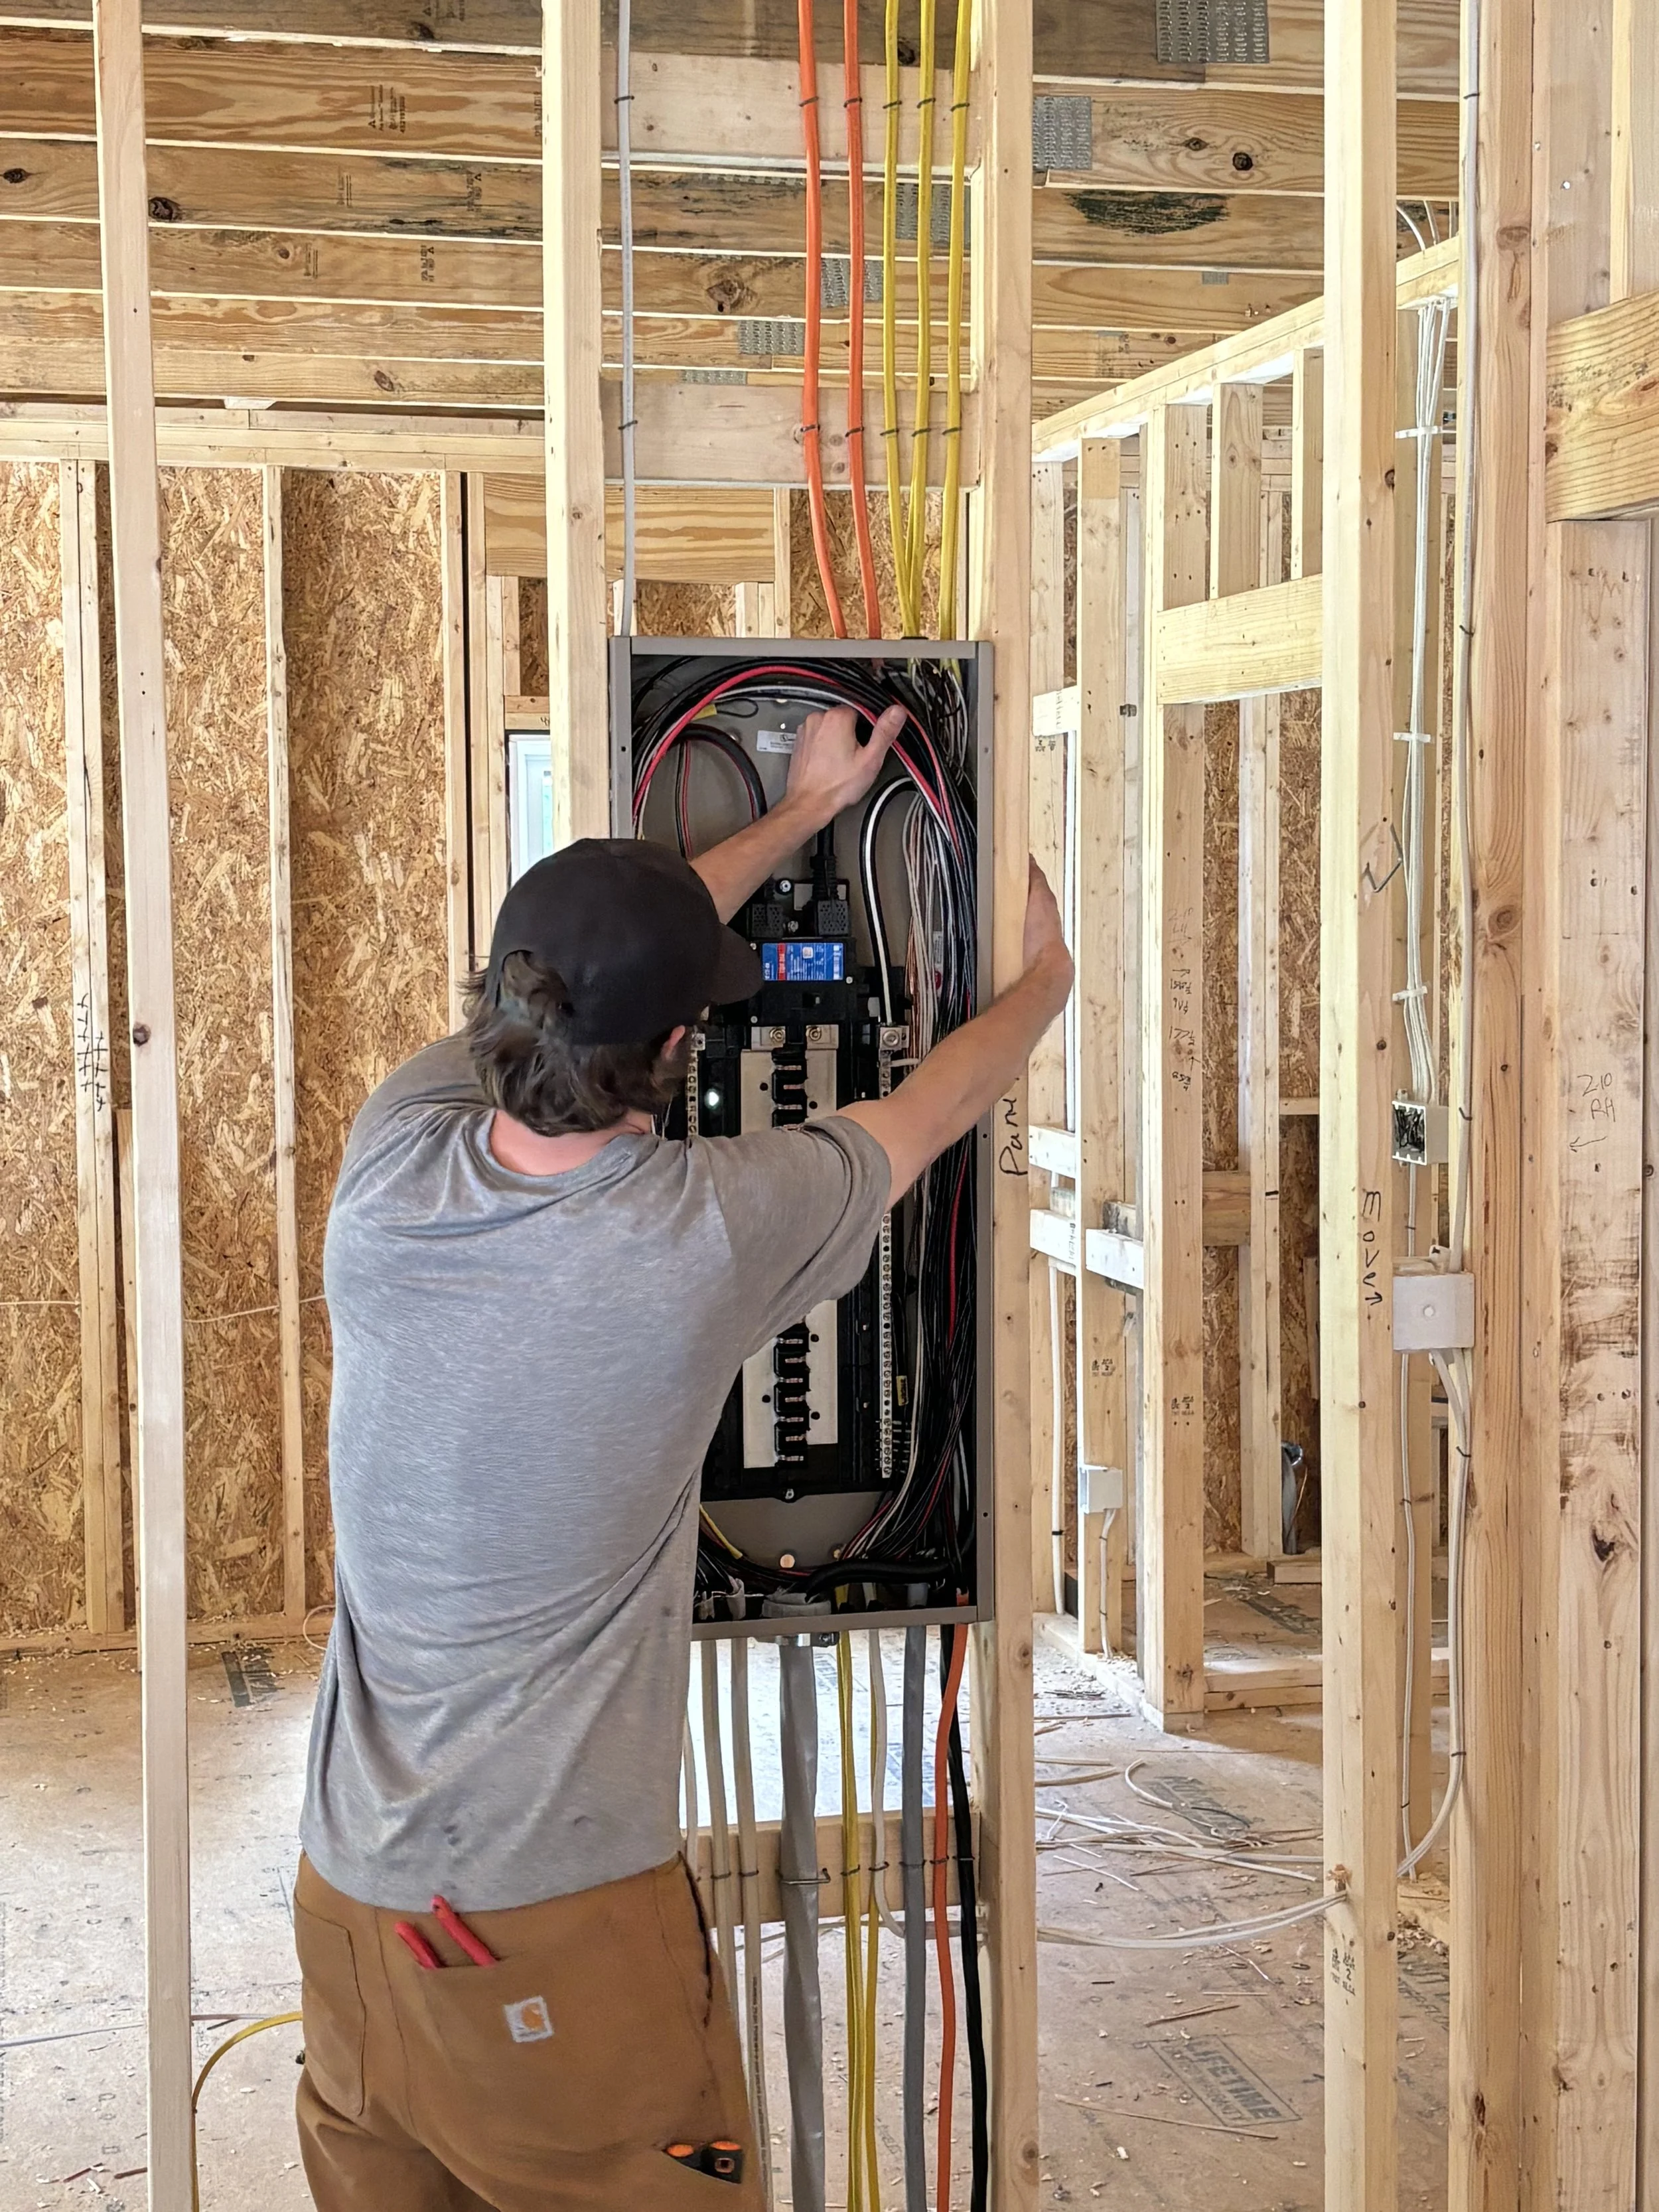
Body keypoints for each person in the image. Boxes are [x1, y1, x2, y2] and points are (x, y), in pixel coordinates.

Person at [293, 701, 1074, 2211]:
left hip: (348, 1905)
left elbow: (587, 985)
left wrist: (794, 815)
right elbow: (930, 1105)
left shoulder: (391, 1155)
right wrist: (1045, 976)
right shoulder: (692, 1236)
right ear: (672, 1046)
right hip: (551, 1929)